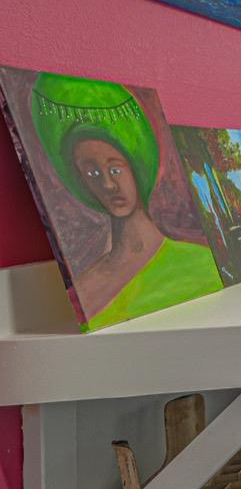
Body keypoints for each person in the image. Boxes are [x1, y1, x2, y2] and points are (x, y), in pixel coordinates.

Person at [31, 74, 221, 328]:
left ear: (135, 168)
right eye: (93, 173)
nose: (108, 184)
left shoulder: (202, 263)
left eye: (116, 168)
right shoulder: (83, 290)